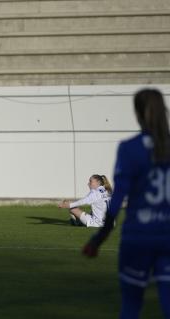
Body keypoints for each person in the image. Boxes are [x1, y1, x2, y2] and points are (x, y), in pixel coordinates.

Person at [83, 89, 170, 319]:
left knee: (131, 307)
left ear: (138, 113)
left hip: (137, 238)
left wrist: (98, 238)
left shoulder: (130, 148)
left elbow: (117, 199)